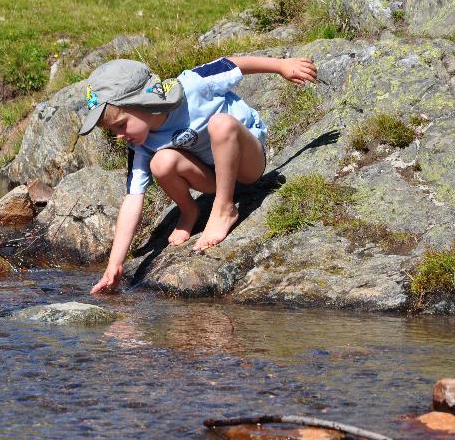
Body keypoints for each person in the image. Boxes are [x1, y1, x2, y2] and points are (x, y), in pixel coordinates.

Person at [79, 55, 317, 294]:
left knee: (220, 124)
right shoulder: (138, 144)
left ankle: (224, 208)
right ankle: (190, 210)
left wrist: (281, 66)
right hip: (211, 176)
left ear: (142, 102)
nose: (119, 135)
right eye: (112, 130)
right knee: (161, 162)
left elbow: (234, 64)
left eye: (121, 125)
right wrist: (114, 264)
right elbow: (133, 198)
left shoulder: (193, 85)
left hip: (247, 163)